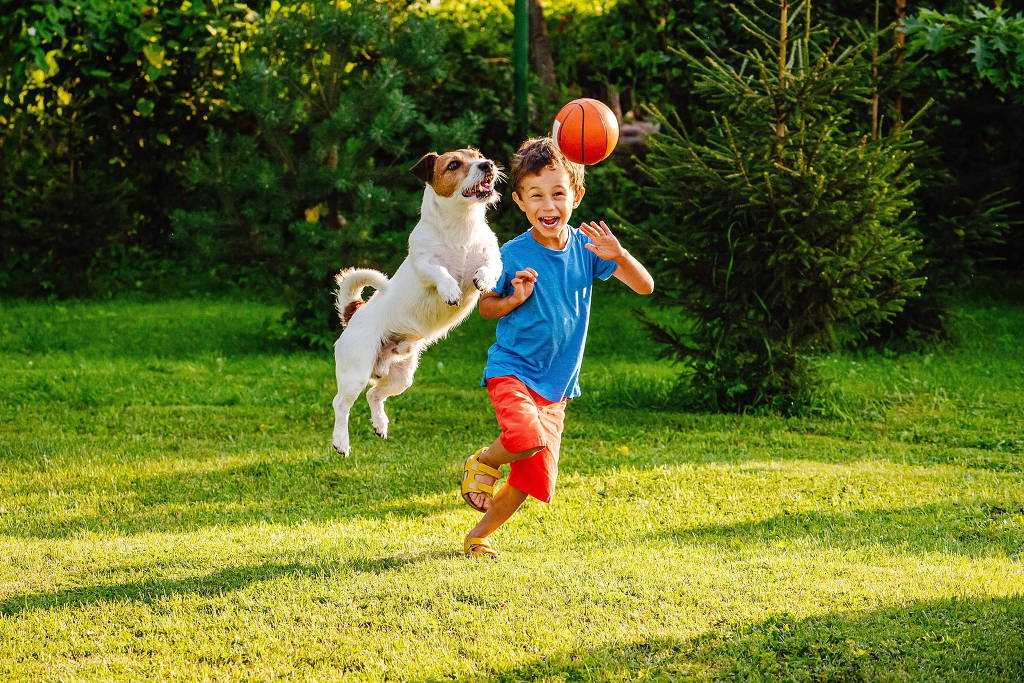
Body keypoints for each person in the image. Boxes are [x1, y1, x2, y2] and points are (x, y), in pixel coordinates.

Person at [460, 136, 655, 558]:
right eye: (536, 196)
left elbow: (645, 286)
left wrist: (619, 255)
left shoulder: (589, 249)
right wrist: (512, 299)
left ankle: (478, 536)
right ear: (519, 202)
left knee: (530, 481)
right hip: (513, 369)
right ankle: (484, 462)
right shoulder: (509, 254)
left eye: (558, 194)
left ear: (576, 196)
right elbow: (486, 308)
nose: (549, 206)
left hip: (556, 386)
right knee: (524, 436)